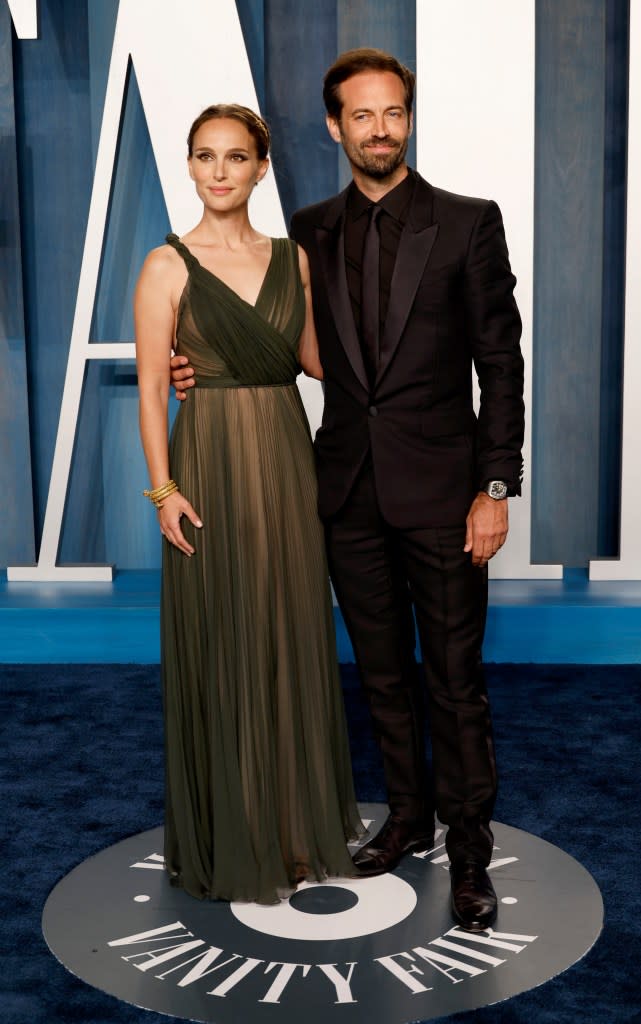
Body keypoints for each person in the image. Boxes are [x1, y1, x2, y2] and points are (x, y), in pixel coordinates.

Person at [173, 50, 524, 932]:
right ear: (333, 128)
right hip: (344, 491)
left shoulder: (468, 222)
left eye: (393, 113)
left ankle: (470, 848)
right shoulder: (309, 229)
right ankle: (406, 818)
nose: (379, 128)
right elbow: (282, 338)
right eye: (360, 116)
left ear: (408, 119)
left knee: (453, 680)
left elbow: (500, 367)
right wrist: (197, 367)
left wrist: (494, 485)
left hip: (447, 492)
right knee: (378, 677)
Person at [135, 103, 363, 905]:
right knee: (222, 631)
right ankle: (232, 830)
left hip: (283, 453)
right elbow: (157, 388)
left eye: (237, 157)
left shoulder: (292, 259)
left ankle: (294, 829)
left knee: (288, 627)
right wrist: (164, 489)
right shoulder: (166, 265)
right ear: (190, 167)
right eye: (206, 157)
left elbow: (312, 361)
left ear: (261, 168)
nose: (220, 171)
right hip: (208, 461)